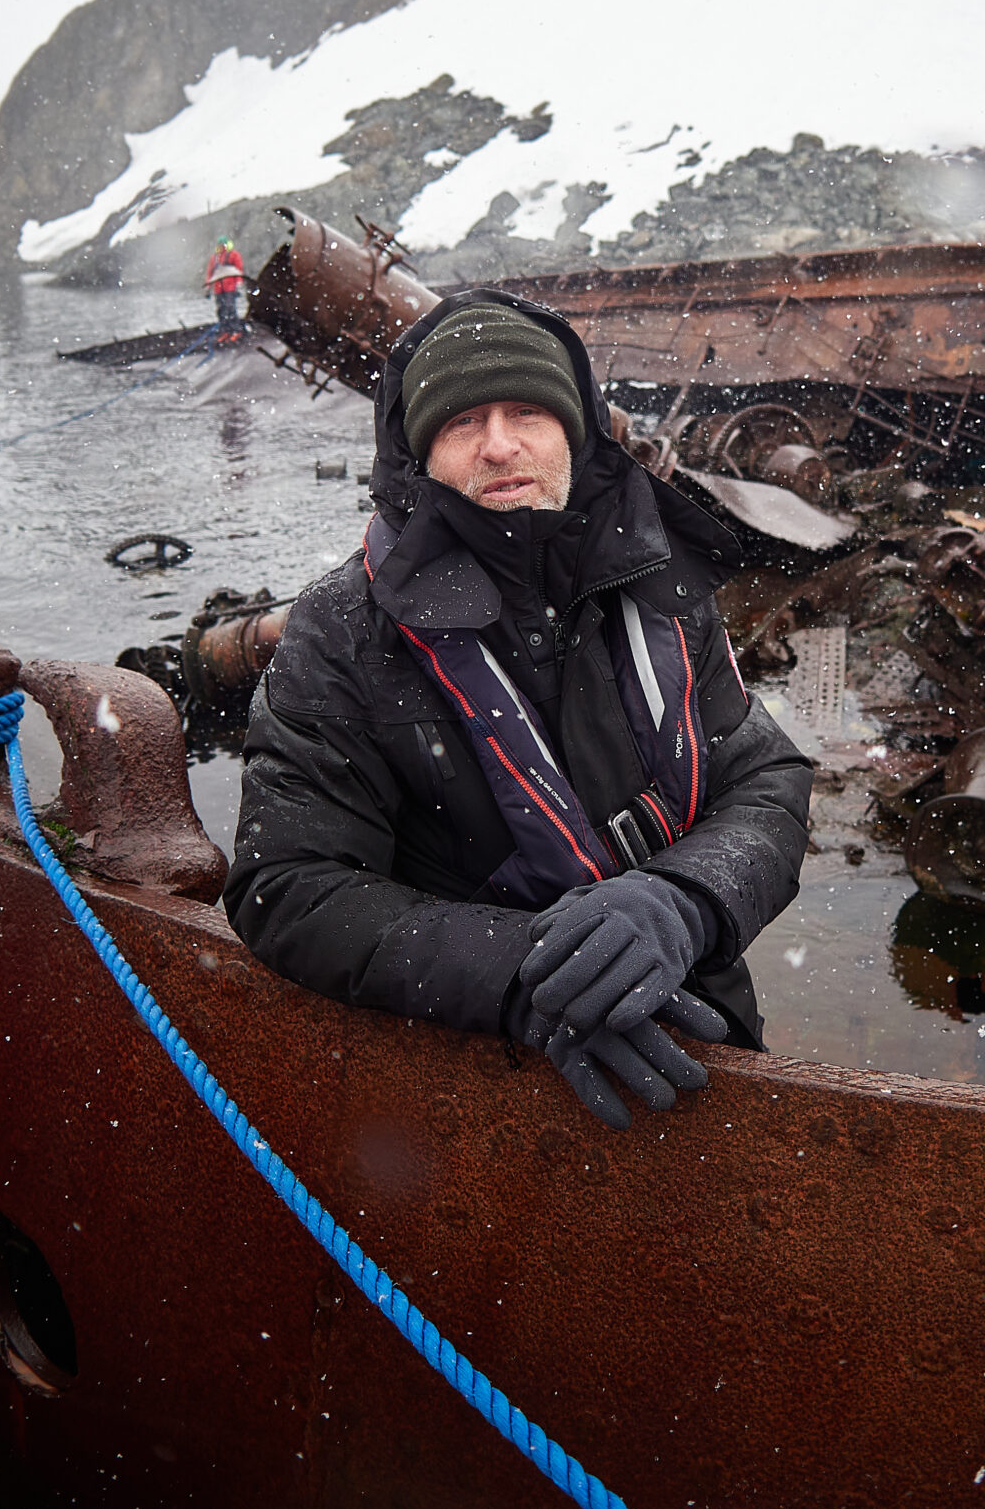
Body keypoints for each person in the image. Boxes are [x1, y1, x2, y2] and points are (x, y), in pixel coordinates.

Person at [227, 291, 811, 1130]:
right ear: (421, 454)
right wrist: (522, 973)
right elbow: (286, 888)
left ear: (572, 429)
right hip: (481, 1073)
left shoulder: (656, 585)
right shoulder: (344, 630)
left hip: (699, 1028)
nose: (499, 445)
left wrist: (684, 901)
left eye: (526, 411)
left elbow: (766, 778)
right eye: (463, 422)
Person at [205, 238, 247, 335]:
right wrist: (208, 287)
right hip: (218, 289)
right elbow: (210, 273)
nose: (222, 246)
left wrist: (239, 284)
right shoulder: (214, 258)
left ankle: (235, 330)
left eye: (223, 244)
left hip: (230, 288)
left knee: (230, 308)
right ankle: (224, 330)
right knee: (221, 310)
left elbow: (239, 269)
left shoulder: (234, 255)